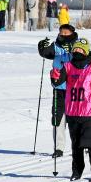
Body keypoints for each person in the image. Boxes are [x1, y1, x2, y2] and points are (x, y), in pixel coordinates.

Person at [50, 38, 91, 182]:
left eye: (80, 49)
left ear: (85, 52)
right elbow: (57, 82)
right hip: (73, 112)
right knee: (76, 146)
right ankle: (77, 171)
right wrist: (54, 76)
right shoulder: (67, 66)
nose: (77, 51)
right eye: (75, 49)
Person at [38, 22, 79, 158]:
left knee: (76, 118)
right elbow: (46, 53)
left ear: (72, 34)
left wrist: (72, 50)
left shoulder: (78, 45)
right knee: (58, 117)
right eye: (62, 33)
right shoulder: (56, 46)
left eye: (66, 33)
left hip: (75, 88)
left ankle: (80, 145)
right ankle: (58, 148)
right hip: (59, 88)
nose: (63, 35)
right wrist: (41, 46)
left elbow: (87, 58)